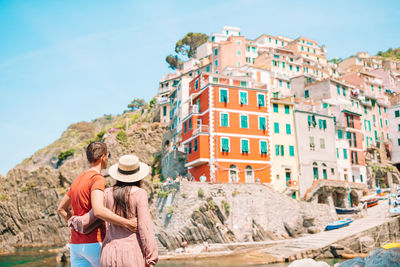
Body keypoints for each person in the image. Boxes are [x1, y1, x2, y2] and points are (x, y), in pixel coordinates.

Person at [69, 155, 158, 267]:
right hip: (131, 254)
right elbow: (145, 228)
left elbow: (88, 220)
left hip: (108, 254)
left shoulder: (107, 193)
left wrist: (72, 220)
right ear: (138, 176)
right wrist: (151, 258)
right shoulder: (139, 193)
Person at [57, 142, 137, 267]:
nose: (107, 159)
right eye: (108, 155)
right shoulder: (97, 178)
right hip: (95, 242)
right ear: (103, 157)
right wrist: (127, 223)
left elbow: (61, 209)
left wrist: (77, 223)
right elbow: (98, 210)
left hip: (75, 246)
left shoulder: (77, 180)